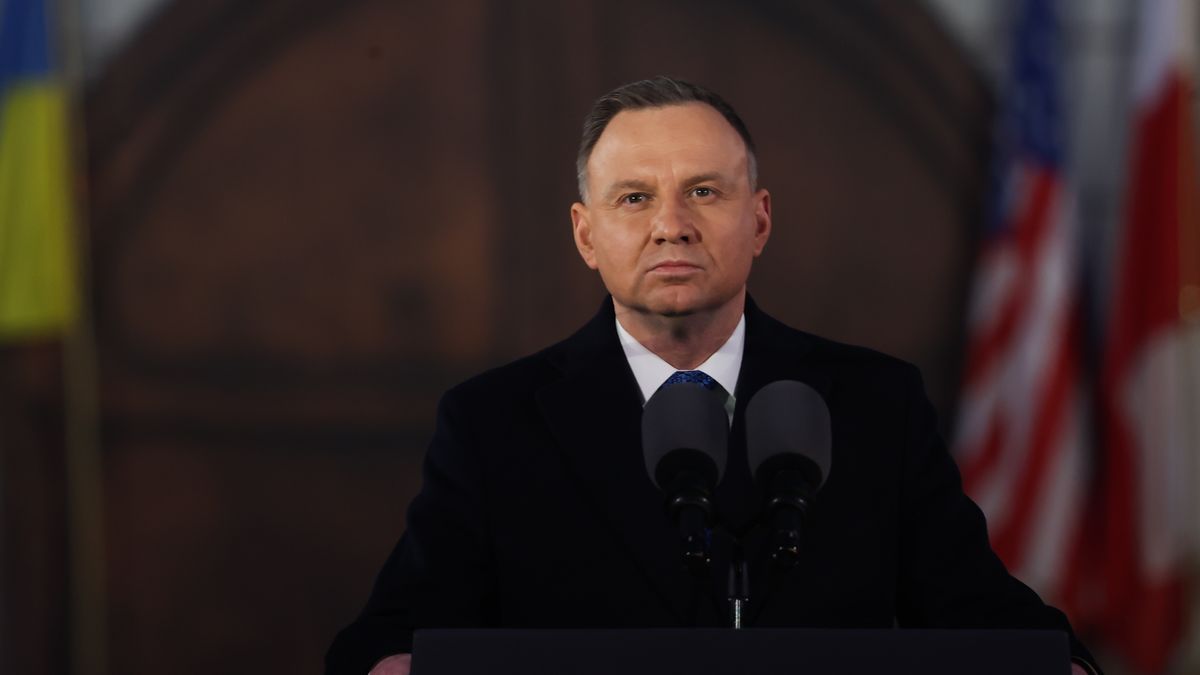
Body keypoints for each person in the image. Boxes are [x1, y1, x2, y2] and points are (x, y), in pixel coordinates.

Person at [326, 77, 1101, 675]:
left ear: (759, 219)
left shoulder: (873, 404)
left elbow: (983, 613)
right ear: (586, 234)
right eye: (635, 198)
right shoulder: (493, 422)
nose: (672, 225)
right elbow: (392, 637)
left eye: (703, 190)